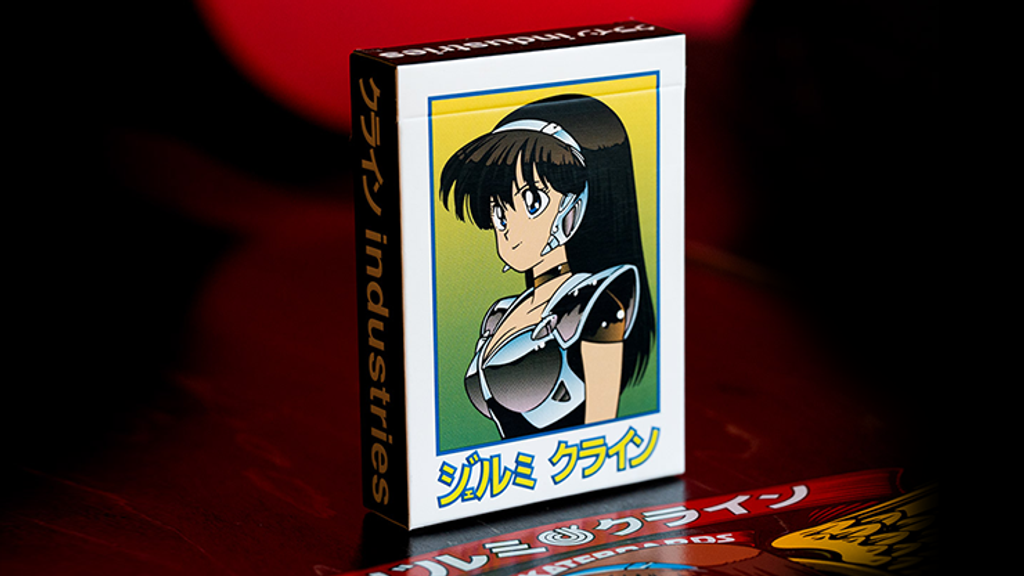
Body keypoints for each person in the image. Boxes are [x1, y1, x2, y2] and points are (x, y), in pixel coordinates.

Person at [439, 94, 655, 439]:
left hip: (573, 462)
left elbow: (601, 426)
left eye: (532, 201)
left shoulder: (595, 301)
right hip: (512, 469)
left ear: (574, 205)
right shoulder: (501, 313)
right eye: (498, 210)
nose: (509, 226)